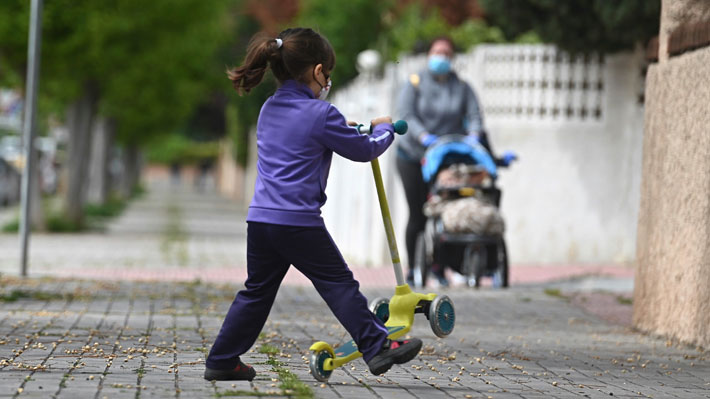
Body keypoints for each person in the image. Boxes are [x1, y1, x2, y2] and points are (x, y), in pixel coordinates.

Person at [204, 28, 422, 382]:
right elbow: (363, 150)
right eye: (328, 75)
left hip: (261, 220)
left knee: (256, 292)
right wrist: (385, 131)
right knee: (338, 284)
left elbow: (303, 134)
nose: (328, 82)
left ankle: (222, 360)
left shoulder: (269, 108)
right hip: (298, 222)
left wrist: (345, 126)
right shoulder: (322, 114)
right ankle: (377, 346)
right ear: (318, 71)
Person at [396, 36, 516, 287]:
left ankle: (442, 265)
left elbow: (474, 116)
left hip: (446, 155)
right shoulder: (415, 83)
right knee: (419, 214)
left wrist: (473, 136)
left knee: (447, 208)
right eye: (437, 52)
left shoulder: (462, 87)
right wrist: (423, 136)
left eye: (446, 53)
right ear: (429, 54)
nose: (442, 57)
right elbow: (406, 115)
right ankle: (413, 268)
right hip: (414, 155)